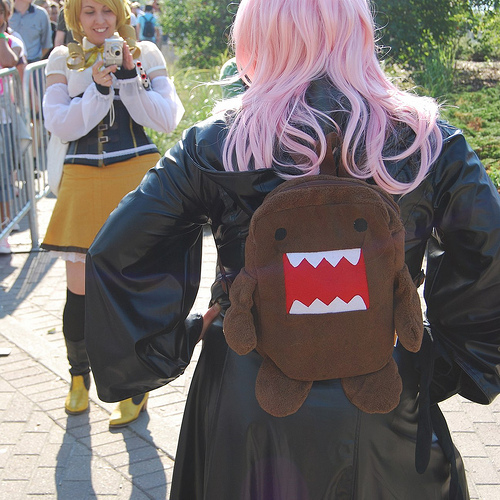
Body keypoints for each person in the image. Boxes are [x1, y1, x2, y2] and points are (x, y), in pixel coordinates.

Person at [85, 0, 500, 498]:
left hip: (248, 397)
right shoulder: (425, 140)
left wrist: (173, 340)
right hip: (385, 392)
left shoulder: (218, 142)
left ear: (256, 38)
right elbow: (490, 250)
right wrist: (449, 362)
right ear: (359, 34)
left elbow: (118, 251)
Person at [40, 0, 184, 427]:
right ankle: (78, 379)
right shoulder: (62, 58)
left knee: (133, 288)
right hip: (82, 177)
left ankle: (136, 385)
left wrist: (127, 78)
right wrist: (97, 89)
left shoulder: (145, 53)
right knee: (79, 291)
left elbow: (167, 118)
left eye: (107, 9)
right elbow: (60, 124)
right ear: (75, 17)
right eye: (89, 11)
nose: (100, 20)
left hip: (136, 176)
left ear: (121, 13)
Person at [0, 0, 27, 254]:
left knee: (5, 174)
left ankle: (5, 228)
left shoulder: (12, 41)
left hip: (4, 119)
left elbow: (9, 61)